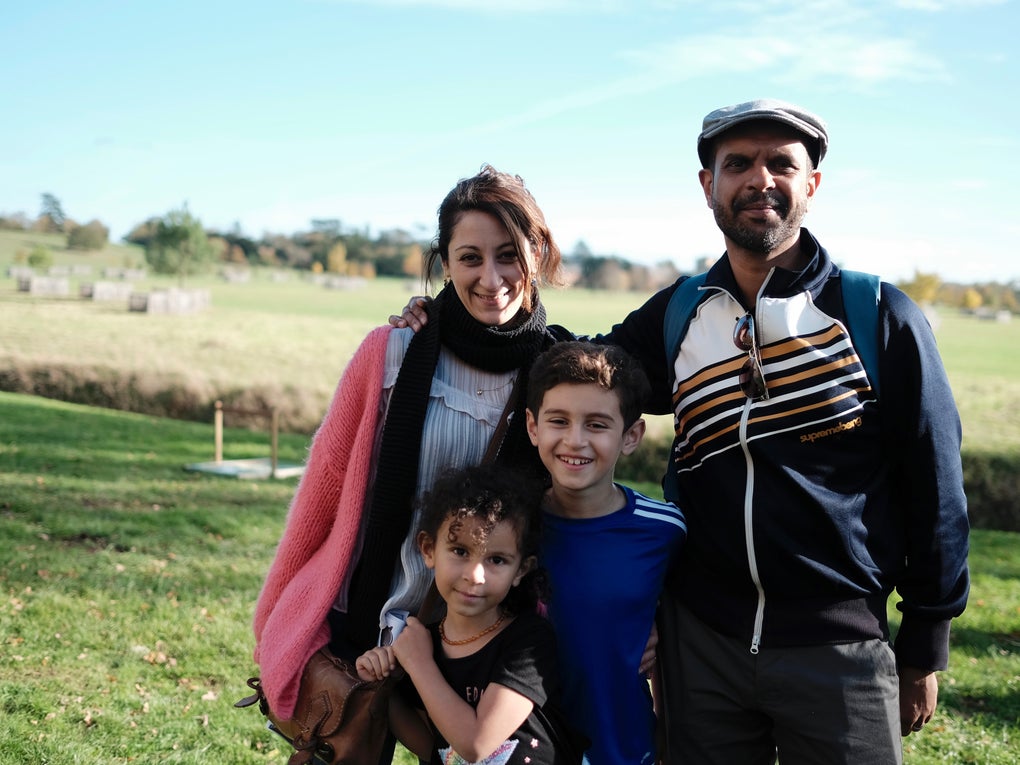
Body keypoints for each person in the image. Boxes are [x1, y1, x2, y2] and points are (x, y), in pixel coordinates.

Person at [392, 99, 971, 765]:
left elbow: (936, 480)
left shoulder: (876, 315)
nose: (760, 179)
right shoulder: (680, 315)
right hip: (705, 651)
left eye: (781, 163)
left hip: (838, 644)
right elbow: (569, 374)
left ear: (812, 183)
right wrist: (444, 318)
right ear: (708, 186)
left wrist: (925, 640)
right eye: (738, 164)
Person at [251, 164, 571, 760]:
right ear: (444, 261)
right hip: (368, 623)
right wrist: (279, 612)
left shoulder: (557, 372)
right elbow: (323, 489)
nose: (491, 277)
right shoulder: (392, 351)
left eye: (509, 255)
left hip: (476, 631)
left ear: (538, 253)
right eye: (470, 257)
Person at [355, 463, 585, 764]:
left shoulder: (528, 640)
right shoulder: (424, 645)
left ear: (521, 570)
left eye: (497, 560)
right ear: (428, 550)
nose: (476, 575)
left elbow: (478, 745)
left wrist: (419, 665)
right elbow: (432, 747)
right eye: (460, 551)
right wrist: (381, 686)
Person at [525, 341, 687, 765]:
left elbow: (680, 643)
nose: (575, 441)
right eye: (558, 421)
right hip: (525, 750)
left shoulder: (665, 531)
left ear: (631, 436)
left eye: (597, 425)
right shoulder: (512, 528)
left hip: (626, 748)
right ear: (532, 427)